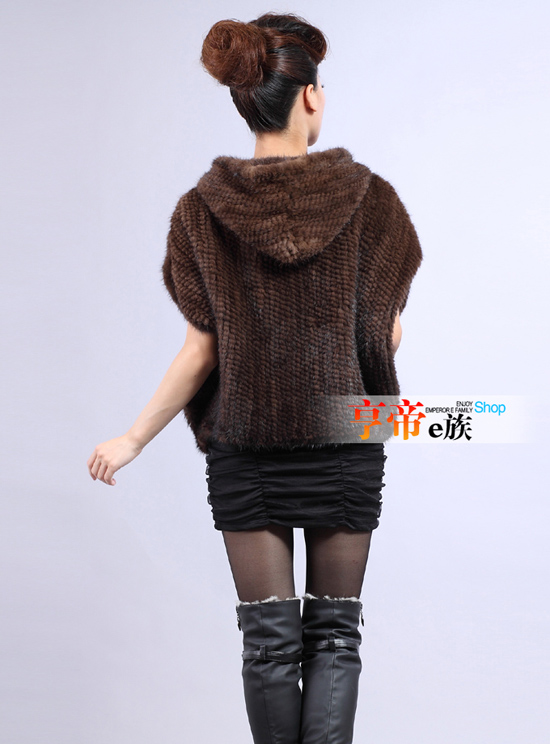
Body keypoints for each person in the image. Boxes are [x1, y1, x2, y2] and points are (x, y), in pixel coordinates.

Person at [87, 11, 423, 744]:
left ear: (247, 99)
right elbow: (384, 334)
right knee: (335, 635)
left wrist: (133, 439)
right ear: (310, 97)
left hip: (248, 445)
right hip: (345, 437)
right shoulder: (373, 201)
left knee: (268, 644)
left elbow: (200, 352)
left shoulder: (199, 212)